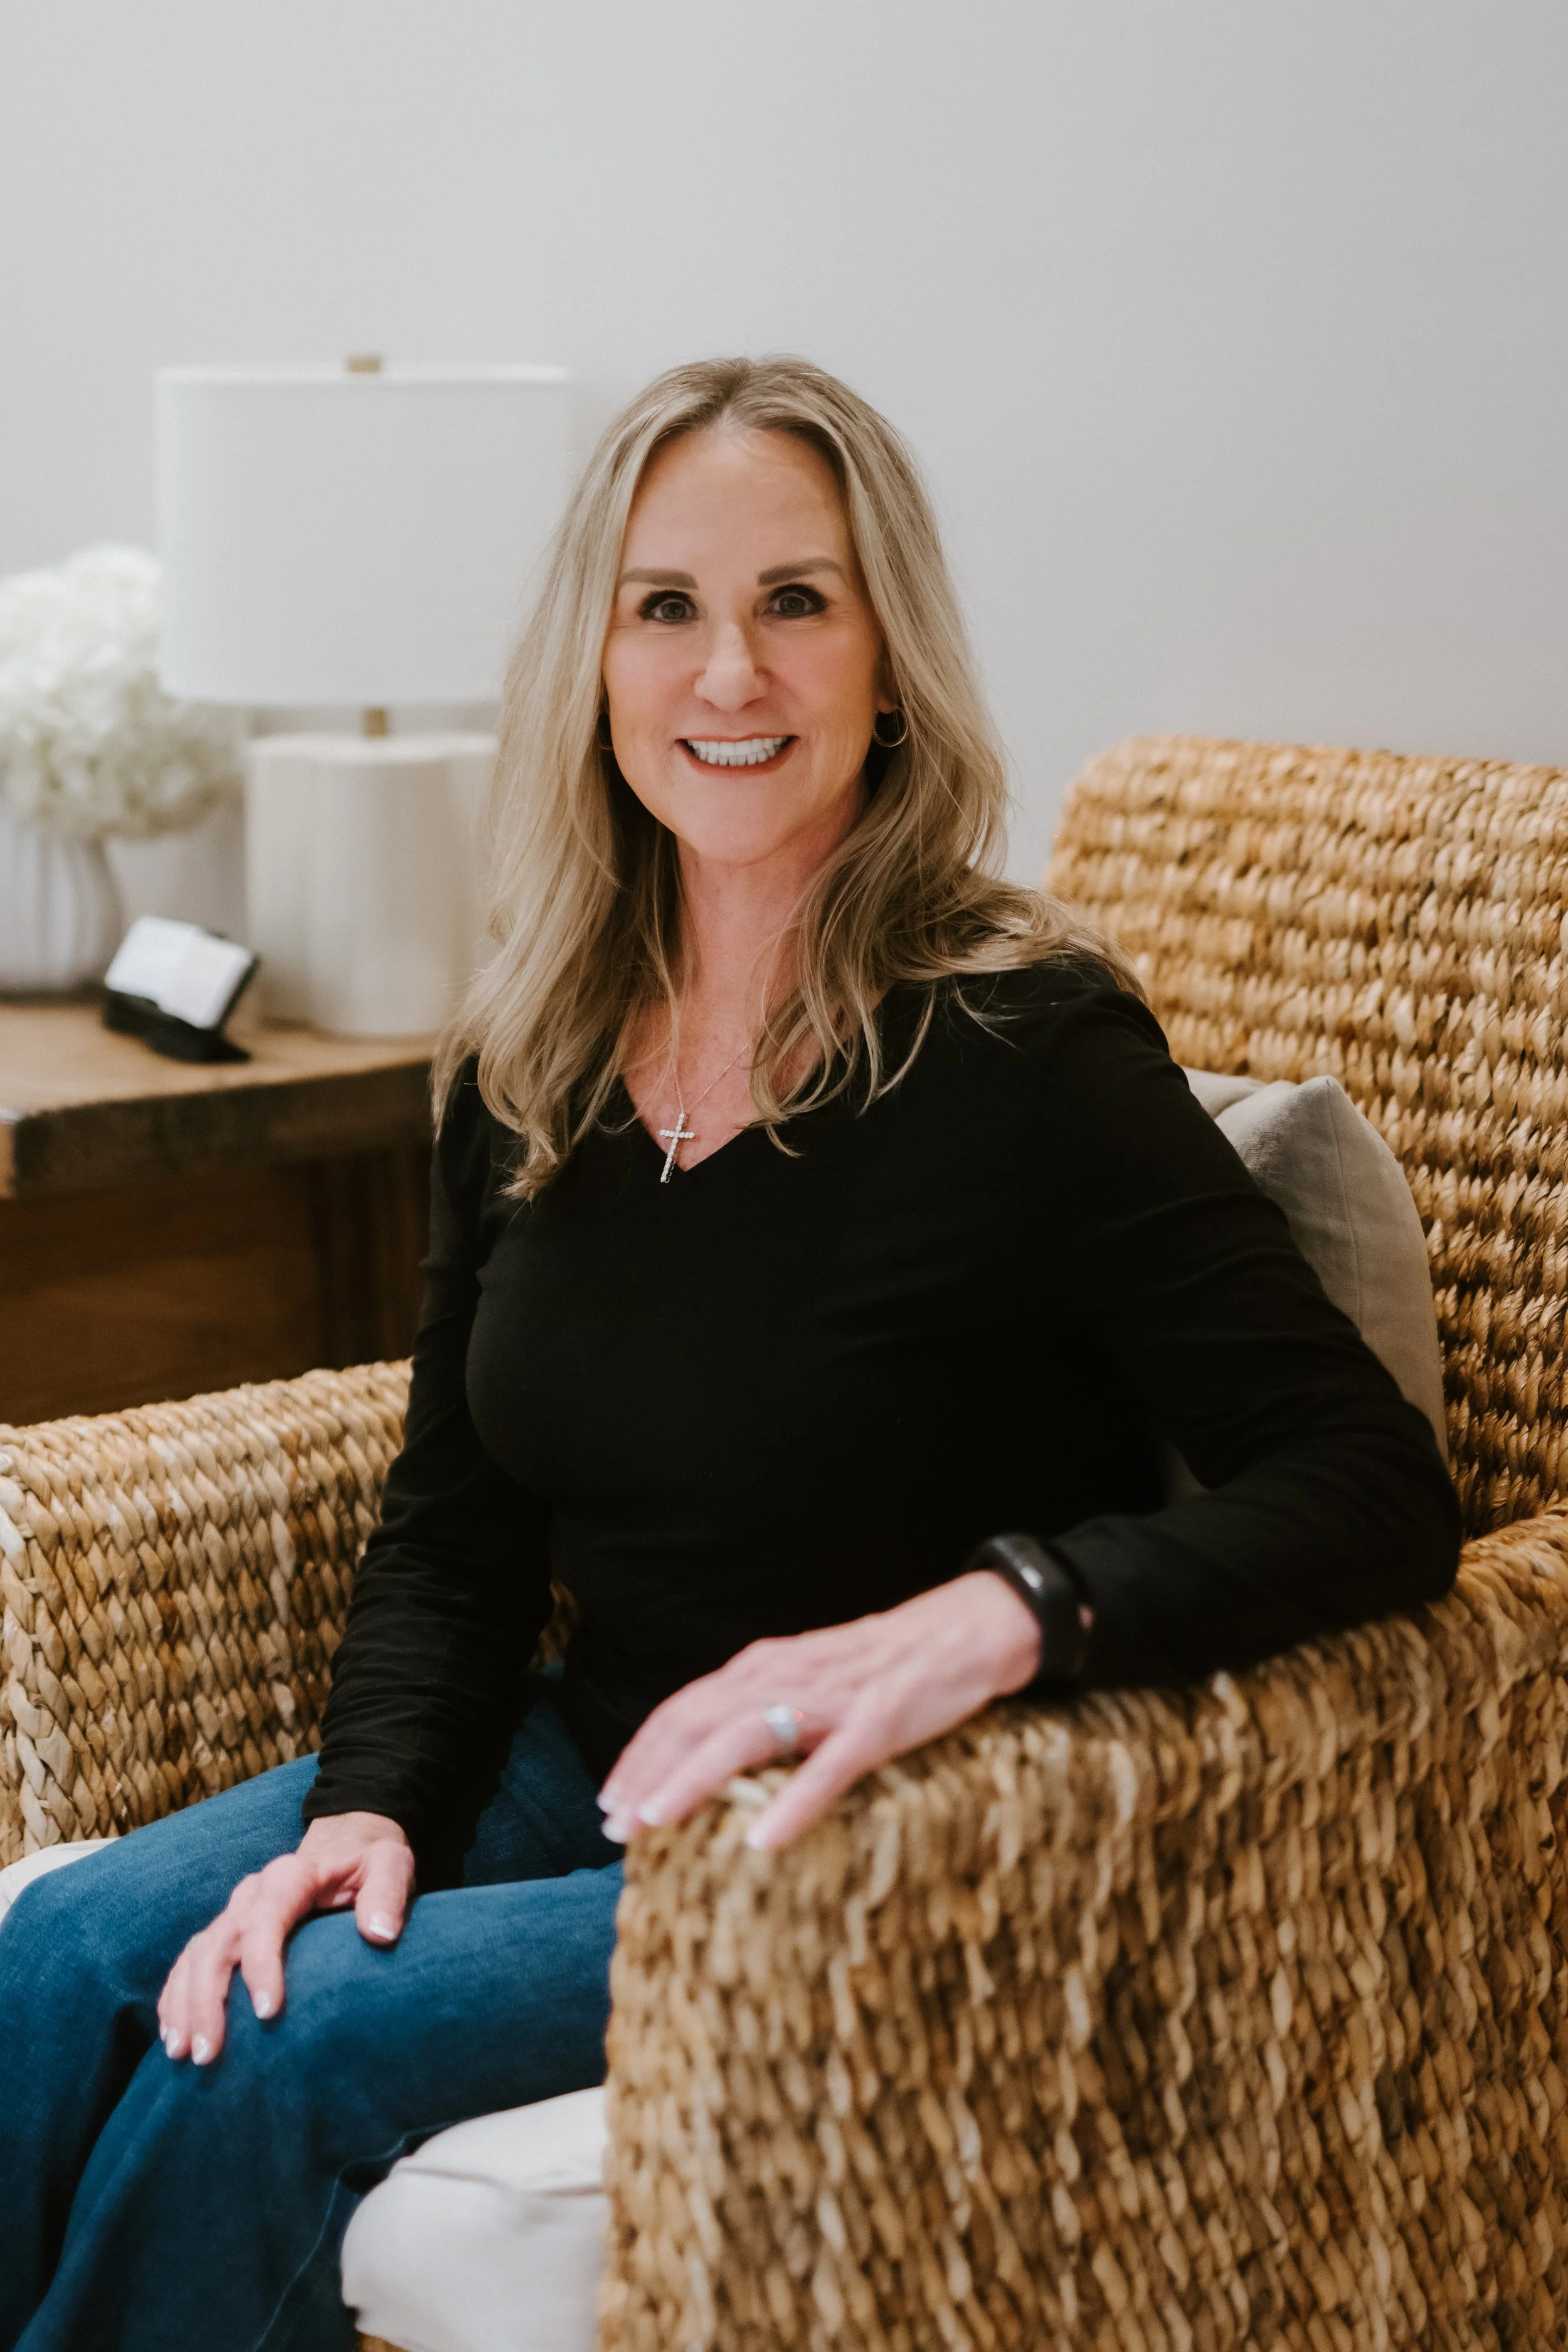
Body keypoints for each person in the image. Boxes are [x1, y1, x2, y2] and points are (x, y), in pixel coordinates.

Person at [0, 356, 1459, 2351]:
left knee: (274, 2040)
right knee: (64, 1948)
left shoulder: (1027, 1045)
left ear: (887, 655)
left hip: (861, 1830)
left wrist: (986, 1615)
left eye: (796, 598)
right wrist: (373, 1804)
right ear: (591, 659)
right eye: (663, 604)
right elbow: (455, 1524)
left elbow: (1366, 1481)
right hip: (595, 1755)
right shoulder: (529, 1044)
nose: (728, 674)